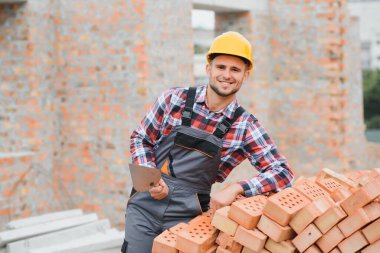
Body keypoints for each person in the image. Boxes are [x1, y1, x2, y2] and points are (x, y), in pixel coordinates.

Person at [121, 31, 294, 253]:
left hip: (189, 216)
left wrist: (238, 188)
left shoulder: (245, 126)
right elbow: (141, 138)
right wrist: (151, 179)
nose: (227, 75)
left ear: (246, 75)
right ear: (208, 69)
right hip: (144, 206)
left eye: (235, 70)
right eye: (221, 67)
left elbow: (283, 173)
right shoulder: (174, 99)